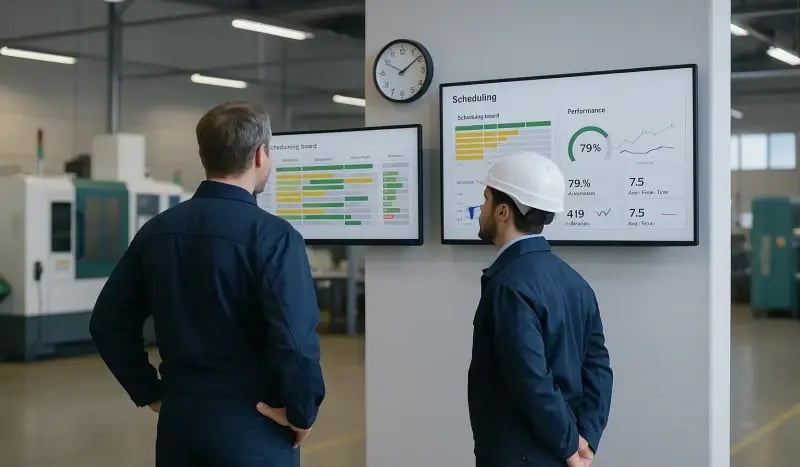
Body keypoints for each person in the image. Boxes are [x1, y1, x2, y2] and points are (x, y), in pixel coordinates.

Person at [89, 101, 325, 467]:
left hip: (180, 425)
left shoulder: (157, 231)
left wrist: (149, 390)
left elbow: (107, 321)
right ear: (261, 154)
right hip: (254, 425)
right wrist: (302, 411)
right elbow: (295, 341)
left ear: (205, 155)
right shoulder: (275, 237)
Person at [468, 151, 613, 467]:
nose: (480, 210)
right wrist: (584, 438)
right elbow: (599, 367)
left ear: (503, 211)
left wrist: (569, 445)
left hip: (519, 454)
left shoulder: (509, 286)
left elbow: (531, 380)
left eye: (485, 200)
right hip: (561, 450)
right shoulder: (575, 282)